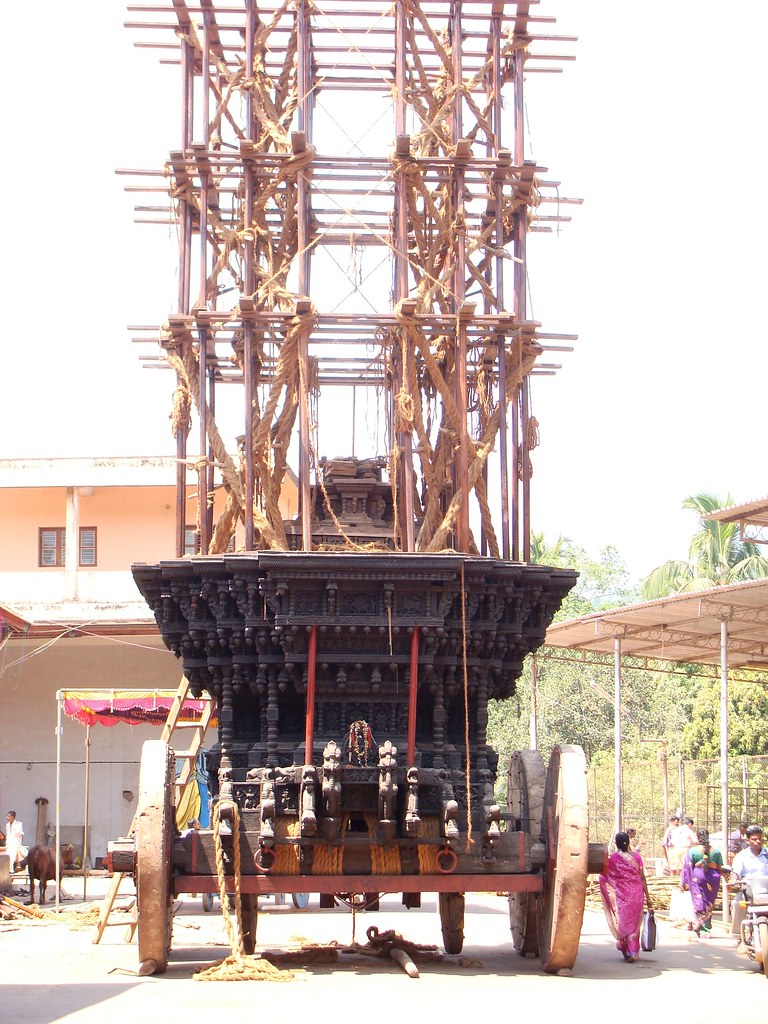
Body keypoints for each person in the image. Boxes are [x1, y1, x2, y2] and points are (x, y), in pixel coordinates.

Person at [599, 831, 651, 963]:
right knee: (634, 924)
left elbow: (604, 876)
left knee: (623, 922)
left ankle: (627, 950)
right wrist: (648, 898)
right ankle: (633, 951)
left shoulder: (613, 859)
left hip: (622, 896)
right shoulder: (637, 857)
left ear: (616, 844)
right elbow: (642, 878)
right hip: (636, 894)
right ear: (628, 843)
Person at [680, 826, 729, 939]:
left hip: (698, 878)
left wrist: (683, 882)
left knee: (699, 901)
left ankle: (700, 922)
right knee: (709, 904)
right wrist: (727, 879)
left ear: (698, 837)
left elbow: (687, 867)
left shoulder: (692, 851)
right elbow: (721, 867)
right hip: (713, 880)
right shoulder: (716, 852)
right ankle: (705, 929)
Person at [729, 824, 768, 943]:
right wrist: (733, 880)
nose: (758, 841)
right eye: (754, 839)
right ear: (748, 841)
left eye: (759, 838)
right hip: (748, 892)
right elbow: (735, 872)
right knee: (736, 904)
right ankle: (738, 936)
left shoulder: (767, 854)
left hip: (766, 891)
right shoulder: (742, 856)